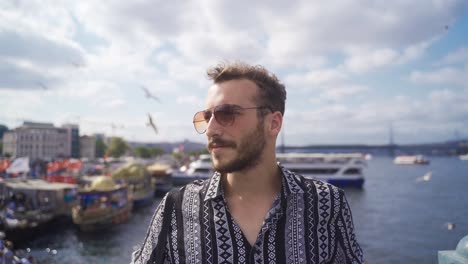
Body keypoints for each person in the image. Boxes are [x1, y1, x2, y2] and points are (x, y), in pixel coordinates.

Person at [132, 61, 364, 264]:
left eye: (226, 113)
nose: (211, 129)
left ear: (273, 123)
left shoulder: (328, 204)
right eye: (207, 117)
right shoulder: (175, 208)